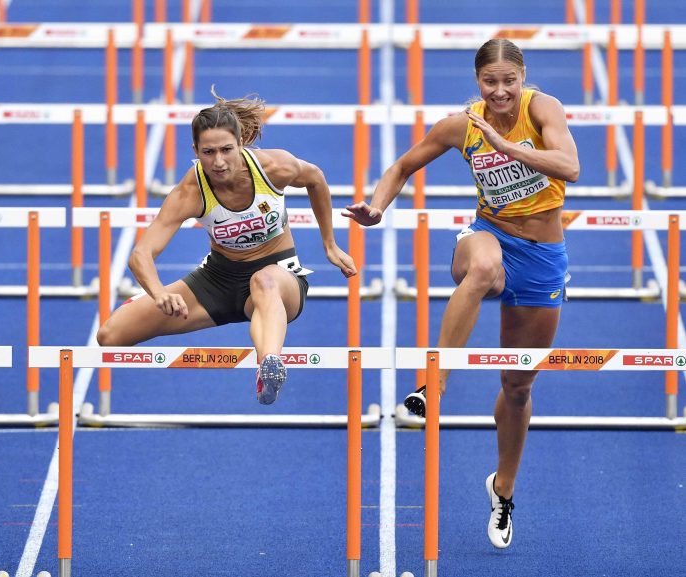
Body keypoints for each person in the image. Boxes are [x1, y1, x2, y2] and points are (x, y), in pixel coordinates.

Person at [343, 39, 578, 549]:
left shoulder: (543, 109)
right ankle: (434, 385)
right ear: (477, 82)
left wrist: (507, 145)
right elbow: (403, 165)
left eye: (507, 81)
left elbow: (570, 167)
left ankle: (503, 489)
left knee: (517, 387)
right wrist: (378, 208)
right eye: (488, 82)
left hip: (542, 259)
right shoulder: (461, 125)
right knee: (482, 267)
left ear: (522, 78)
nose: (498, 91)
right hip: (487, 238)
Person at [97, 89, 357, 404]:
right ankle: (267, 357)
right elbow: (141, 254)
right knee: (110, 335)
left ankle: (270, 365)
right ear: (195, 150)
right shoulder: (191, 191)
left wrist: (329, 244)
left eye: (226, 150)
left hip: (279, 278)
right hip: (218, 280)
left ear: (241, 144)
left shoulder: (274, 167)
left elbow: (316, 179)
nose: (218, 162)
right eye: (208, 152)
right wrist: (159, 292)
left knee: (264, 280)